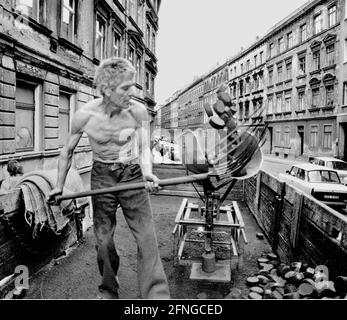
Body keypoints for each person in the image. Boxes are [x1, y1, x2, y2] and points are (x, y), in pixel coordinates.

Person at [47, 57, 170, 300]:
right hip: (102, 176)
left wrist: (147, 172)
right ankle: (108, 290)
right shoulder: (85, 115)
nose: (131, 92)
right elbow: (67, 152)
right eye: (125, 88)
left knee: (147, 237)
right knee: (103, 241)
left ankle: (157, 296)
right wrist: (58, 187)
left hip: (132, 173)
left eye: (132, 86)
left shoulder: (137, 111)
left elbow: (145, 147)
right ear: (106, 89)